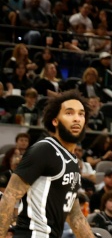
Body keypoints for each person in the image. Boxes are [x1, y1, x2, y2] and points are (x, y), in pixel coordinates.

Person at [0, 89, 94, 238]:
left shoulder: (72, 160)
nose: (77, 118)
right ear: (55, 121)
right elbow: (9, 196)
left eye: (81, 114)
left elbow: (75, 215)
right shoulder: (44, 149)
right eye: (69, 113)